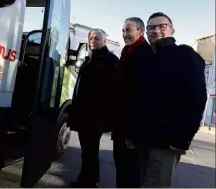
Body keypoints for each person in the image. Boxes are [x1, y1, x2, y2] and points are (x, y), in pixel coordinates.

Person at [130, 12, 207, 187]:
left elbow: (196, 100)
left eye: (161, 27)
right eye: (151, 28)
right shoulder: (148, 58)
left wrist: (182, 140)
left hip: (166, 144)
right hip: (143, 139)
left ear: (172, 30)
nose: (156, 31)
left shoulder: (185, 55)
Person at [68, 28, 119, 188]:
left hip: (94, 118)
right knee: (88, 152)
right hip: (84, 116)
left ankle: (87, 182)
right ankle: (90, 179)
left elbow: (112, 93)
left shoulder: (110, 60)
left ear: (104, 41)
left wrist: (102, 119)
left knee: (89, 152)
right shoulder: (90, 58)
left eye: (96, 38)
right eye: (90, 38)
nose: (92, 41)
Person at [112, 17, 153, 188]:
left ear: (140, 31)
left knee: (131, 173)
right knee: (122, 169)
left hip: (132, 129)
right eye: (123, 30)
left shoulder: (144, 53)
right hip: (122, 125)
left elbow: (141, 96)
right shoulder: (128, 51)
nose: (124, 34)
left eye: (128, 30)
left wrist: (132, 133)